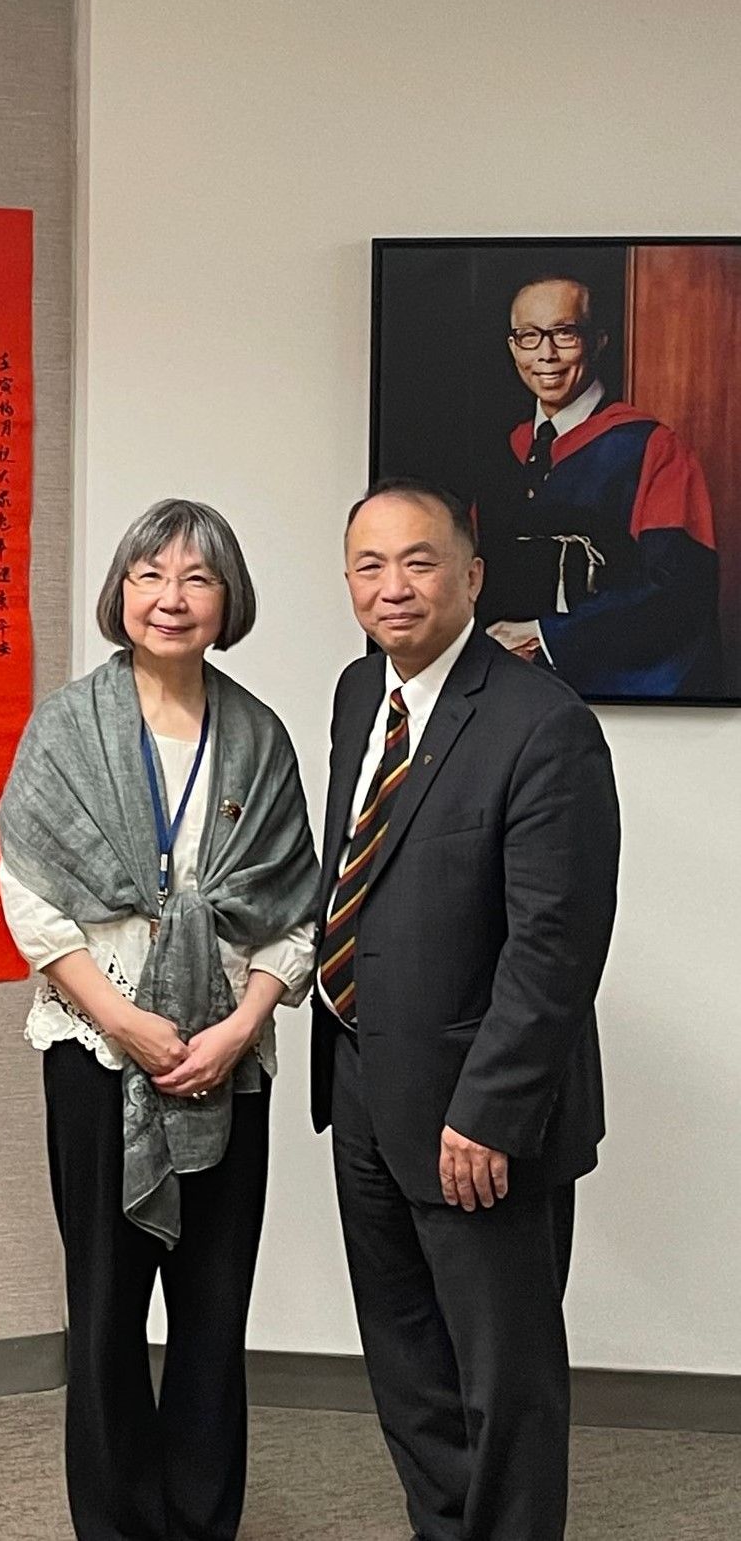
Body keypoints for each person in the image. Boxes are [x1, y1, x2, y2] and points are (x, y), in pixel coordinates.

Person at [0, 498, 319, 1541]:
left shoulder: (258, 738)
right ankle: (118, 1522)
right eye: (150, 574)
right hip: (97, 1051)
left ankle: (202, 1518)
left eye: (197, 577)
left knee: (214, 1307)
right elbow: (28, 891)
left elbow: (295, 911)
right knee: (104, 1307)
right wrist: (123, 1021)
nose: (171, 598)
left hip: (229, 1057)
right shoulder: (67, 728)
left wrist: (239, 1029)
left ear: (228, 601)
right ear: (121, 592)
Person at [312, 476, 620, 1541]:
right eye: (369, 565)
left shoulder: (546, 723)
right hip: (361, 1080)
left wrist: (489, 1111)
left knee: (504, 1381)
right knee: (407, 1360)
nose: (393, 587)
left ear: (474, 576)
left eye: (420, 561)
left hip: (477, 1112)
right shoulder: (360, 692)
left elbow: (555, 947)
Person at [478, 272, 719, 696]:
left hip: (620, 689)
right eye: (529, 336)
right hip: (511, 692)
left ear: (598, 341)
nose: (546, 354)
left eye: (565, 333)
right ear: (513, 346)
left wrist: (546, 636)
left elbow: (680, 593)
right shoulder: (503, 452)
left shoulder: (652, 447)